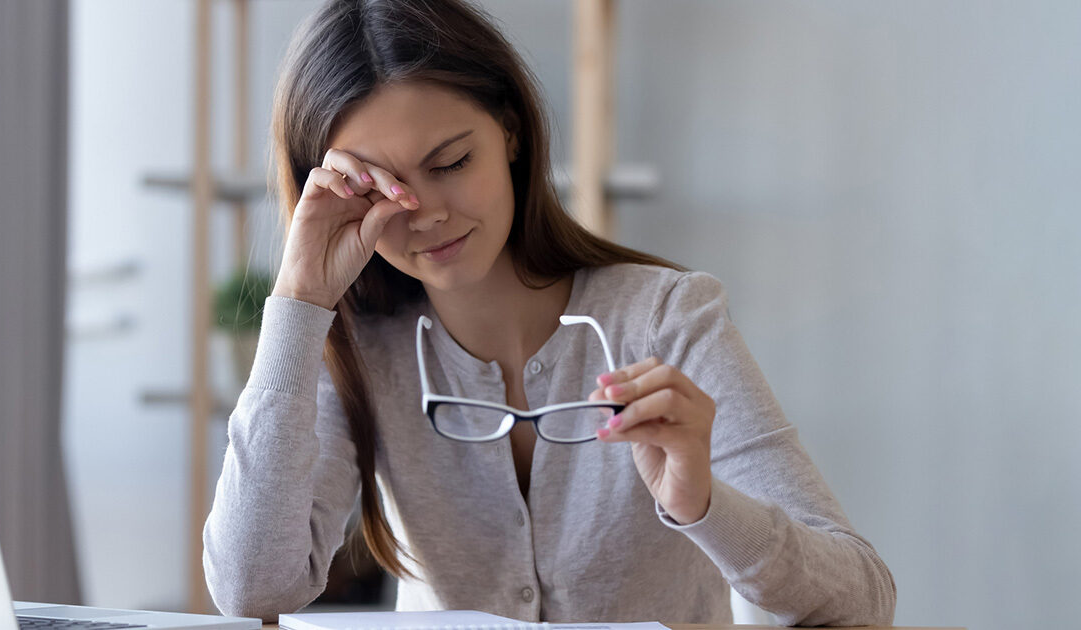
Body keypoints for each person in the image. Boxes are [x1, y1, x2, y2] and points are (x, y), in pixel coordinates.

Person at [202, 0, 896, 626]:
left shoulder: (665, 317)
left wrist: (702, 502)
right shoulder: (359, 346)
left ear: (509, 133)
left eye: (450, 162)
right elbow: (251, 588)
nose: (427, 214)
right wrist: (299, 300)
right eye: (380, 190)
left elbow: (862, 597)